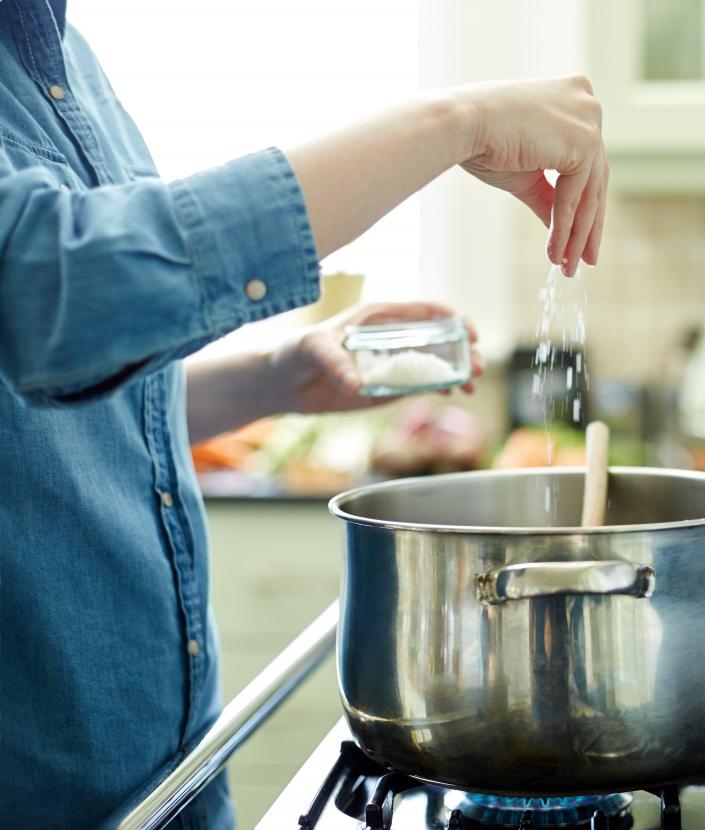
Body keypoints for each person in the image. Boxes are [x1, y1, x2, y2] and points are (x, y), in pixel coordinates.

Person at [0, 0, 609, 827]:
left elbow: (56, 409)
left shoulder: (65, 60)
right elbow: (55, 285)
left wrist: (280, 376)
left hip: (174, 784)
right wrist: (457, 122)